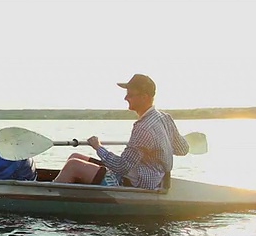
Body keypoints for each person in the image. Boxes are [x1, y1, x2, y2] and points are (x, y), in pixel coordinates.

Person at [53, 74, 189, 189]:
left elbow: (122, 166)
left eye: (130, 94)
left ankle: (50, 196)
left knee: (73, 165)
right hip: (151, 176)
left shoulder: (143, 128)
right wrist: (162, 145)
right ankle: (69, 189)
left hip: (137, 183)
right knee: (74, 156)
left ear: (144, 97)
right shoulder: (165, 118)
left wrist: (98, 147)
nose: (125, 98)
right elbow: (183, 149)